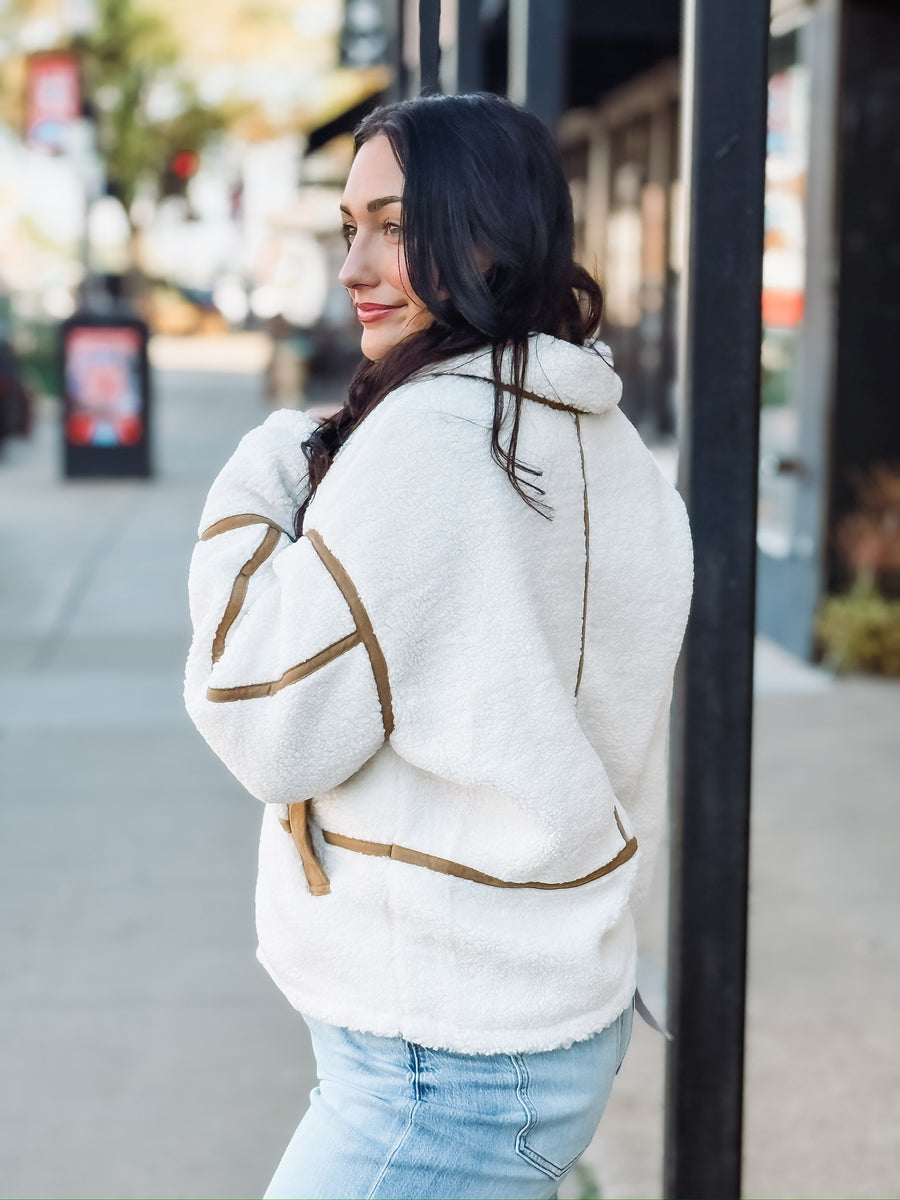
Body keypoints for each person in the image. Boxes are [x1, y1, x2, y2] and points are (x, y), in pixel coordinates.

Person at [184, 92, 693, 1200]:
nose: (356, 264)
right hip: (542, 1012)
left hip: (441, 1062)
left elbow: (264, 714)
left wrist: (267, 468)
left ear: (483, 230)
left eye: (395, 225)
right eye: (348, 226)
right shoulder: (605, 436)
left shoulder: (429, 444)